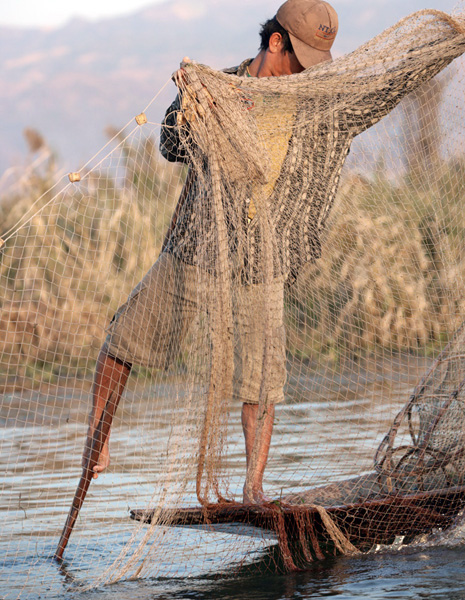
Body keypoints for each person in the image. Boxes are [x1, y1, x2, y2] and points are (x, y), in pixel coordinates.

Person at [82, 0, 465, 505]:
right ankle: (97, 443)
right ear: (276, 41)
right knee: (125, 340)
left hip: (263, 260)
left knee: (262, 381)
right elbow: (170, 147)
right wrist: (190, 110)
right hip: (197, 244)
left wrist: (445, 45)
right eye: (301, 61)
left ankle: (254, 486)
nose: (306, 74)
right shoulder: (216, 87)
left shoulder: (321, 101)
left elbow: (387, 89)